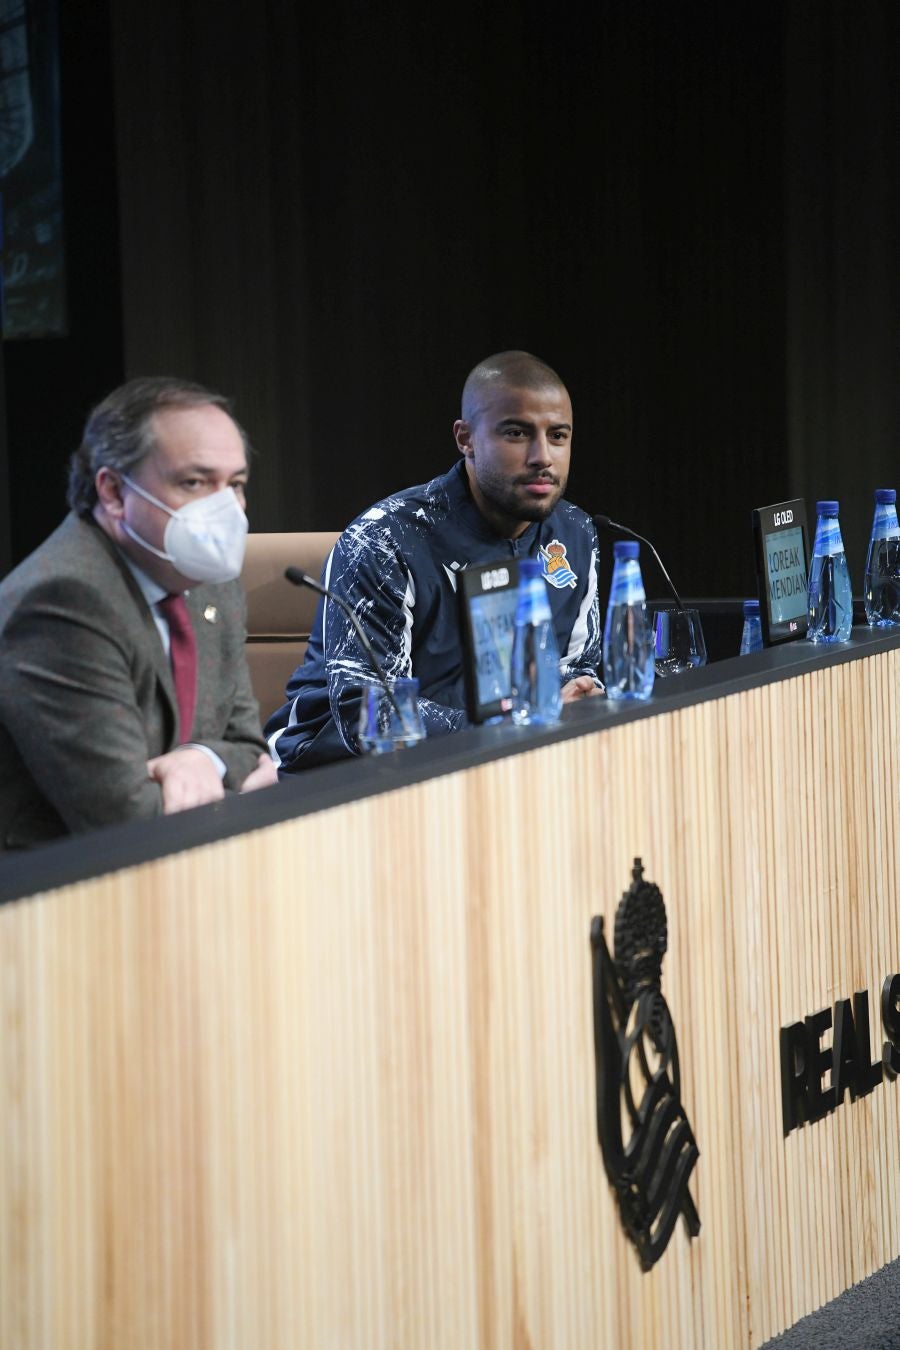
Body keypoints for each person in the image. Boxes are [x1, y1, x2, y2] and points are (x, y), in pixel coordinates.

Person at [267, 350, 603, 770]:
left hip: (496, 757)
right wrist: (506, 728)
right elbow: (368, 712)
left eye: (558, 435)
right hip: (338, 768)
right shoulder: (386, 538)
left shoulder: (575, 532)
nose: (543, 457)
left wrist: (575, 696)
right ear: (466, 439)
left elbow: (577, 666)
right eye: (517, 433)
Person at [0, 376, 277, 850]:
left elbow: (251, 749)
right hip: (59, 893)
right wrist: (226, 770)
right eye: (194, 482)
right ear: (112, 492)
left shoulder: (212, 581)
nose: (225, 509)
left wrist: (199, 760)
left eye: (235, 484)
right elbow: (126, 820)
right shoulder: (62, 600)